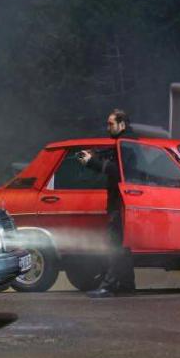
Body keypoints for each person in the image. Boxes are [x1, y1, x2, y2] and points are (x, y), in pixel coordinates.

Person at [75, 109, 137, 298]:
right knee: (121, 246)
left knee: (114, 244)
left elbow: (120, 171)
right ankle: (126, 284)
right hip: (122, 202)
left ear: (122, 125)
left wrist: (93, 162)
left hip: (121, 203)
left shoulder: (127, 144)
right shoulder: (124, 143)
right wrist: (93, 157)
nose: (107, 127)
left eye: (111, 124)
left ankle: (109, 286)